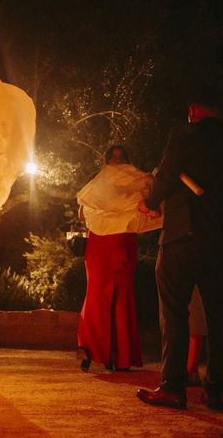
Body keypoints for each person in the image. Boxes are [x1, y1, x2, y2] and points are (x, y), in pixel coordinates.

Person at [136, 99, 223, 410]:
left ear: (194, 110)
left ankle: (172, 387)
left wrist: (150, 202)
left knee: (174, 311)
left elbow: (166, 176)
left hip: (184, 236)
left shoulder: (185, 135)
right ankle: (215, 390)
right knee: (221, 317)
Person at [76, 145, 145, 372]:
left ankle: (120, 355)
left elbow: (142, 209)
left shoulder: (134, 182)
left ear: (127, 159)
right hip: (100, 244)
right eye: (112, 158)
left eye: (121, 157)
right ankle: (94, 349)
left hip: (122, 242)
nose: (116, 161)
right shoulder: (98, 181)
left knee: (121, 297)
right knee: (96, 294)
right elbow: (82, 213)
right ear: (106, 161)